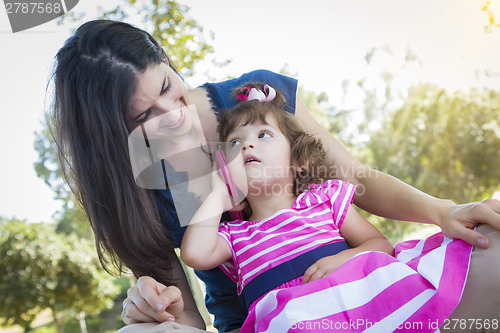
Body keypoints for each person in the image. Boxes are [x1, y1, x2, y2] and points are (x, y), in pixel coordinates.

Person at [49, 19, 500, 333]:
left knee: (493, 243)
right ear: (115, 137)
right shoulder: (136, 189)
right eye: (145, 116)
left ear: (168, 61)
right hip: (268, 318)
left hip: (355, 290)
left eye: (167, 87)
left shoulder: (257, 101)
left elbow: (354, 177)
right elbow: (185, 315)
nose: (174, 117)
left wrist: (442, 210)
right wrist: (154, 307)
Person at [179, 83, 473, 332]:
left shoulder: (324, 199)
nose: (246, 147)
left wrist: (345, 258)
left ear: (298, 160)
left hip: (364, 307)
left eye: (263, 134)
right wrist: (219, 193)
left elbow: (380, 244)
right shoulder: (235, 234)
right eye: (234, 143)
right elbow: (195, 254)